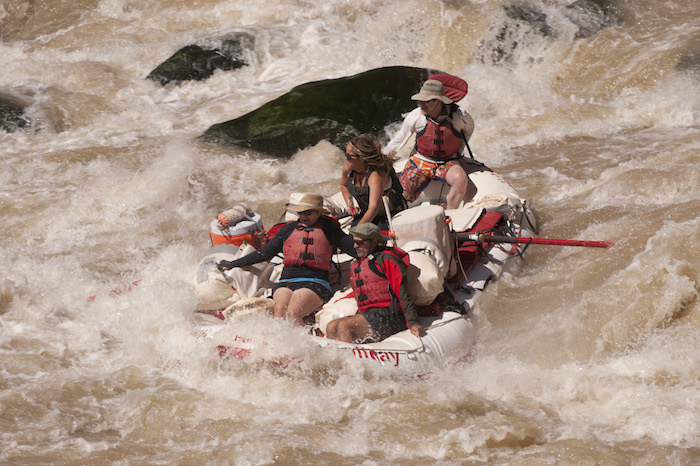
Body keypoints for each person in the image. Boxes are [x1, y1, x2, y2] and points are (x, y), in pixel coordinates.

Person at [217, 193, 356, 326]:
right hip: (287, 281)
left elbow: (353, 248)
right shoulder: (287, 230)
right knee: (279, 312)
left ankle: (296, 349)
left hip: (315, 282)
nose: (303, 216)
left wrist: (375, 257)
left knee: (292, 313)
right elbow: (264, 253)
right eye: (300, 212)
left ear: (319, 213)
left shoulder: (330, 229)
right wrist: (232, 264)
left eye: (308, 213)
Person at [383, 78, 477, 210]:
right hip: (421, 160)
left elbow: (468, 130)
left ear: (438, 101)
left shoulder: (459, 116)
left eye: (426, 101)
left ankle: (451, 215)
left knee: (460, 179)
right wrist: (379, 162)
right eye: (420, 100)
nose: (421, 104)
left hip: (448, 162)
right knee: (403, 193)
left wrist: (458, 151)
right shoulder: (415, 116)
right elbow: (397, 142)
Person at [325, 223, 422, 343]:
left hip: (390, 315)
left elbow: (402, 291)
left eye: (360, 243)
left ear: (374, 242)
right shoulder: (357, 263)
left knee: (345, 326)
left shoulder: (387, 259)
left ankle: (351, 360)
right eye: (354, 242)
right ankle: (337, 360)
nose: (355, 246)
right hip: (368, 314)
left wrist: (413, 322)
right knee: (331, 326)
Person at [340, 135, 406, 230]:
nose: (346, 158)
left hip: (387, 214)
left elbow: (373, 208)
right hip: (366, 213)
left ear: (362, 158)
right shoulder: (347, 170)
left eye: (349, 156)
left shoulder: (375, 176)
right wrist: (350, 205)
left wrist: (357, 230)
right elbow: (343, 185)